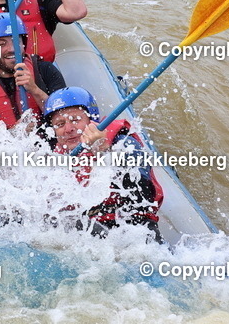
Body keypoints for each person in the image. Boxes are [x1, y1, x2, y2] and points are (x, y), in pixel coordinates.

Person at [43, 87, 163, 240]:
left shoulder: (121, 141)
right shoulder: (58, 157)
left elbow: (143, 190)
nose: (68, 129)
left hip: (133, 229)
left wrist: (104, 153)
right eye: (60, 124)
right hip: (93, 232)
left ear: (91, 120)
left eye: (75, 120)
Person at [0, 13, 66, 128]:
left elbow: (65, 118)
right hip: (3, 143)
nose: (12, 49)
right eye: (2, 44)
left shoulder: (45, 70)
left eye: (16, 42)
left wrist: (34, 90)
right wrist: (15, 133)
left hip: (44, 141)